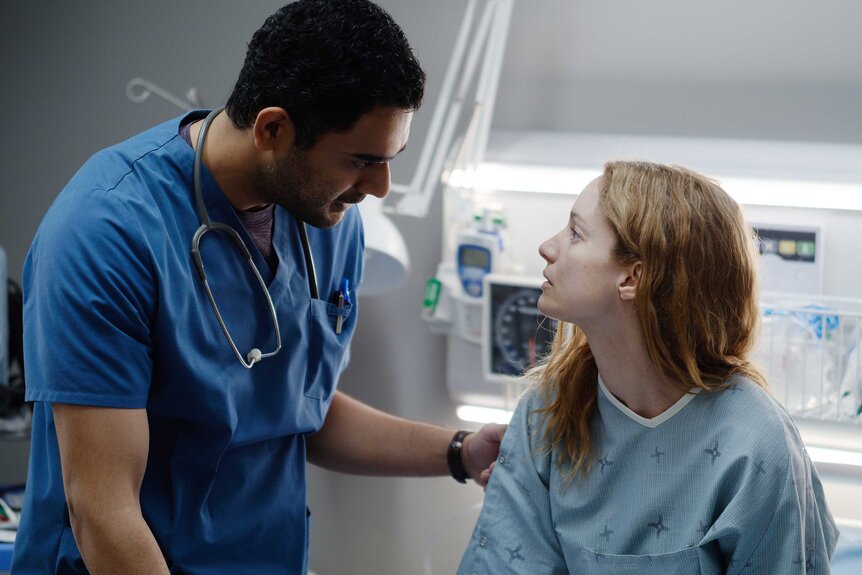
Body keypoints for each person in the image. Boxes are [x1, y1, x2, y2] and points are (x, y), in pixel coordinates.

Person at [12, 2, 505, 574]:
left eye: (390, 159)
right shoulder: (105, 234)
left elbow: (296, 409)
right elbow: (103, 511)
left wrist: (459, 452)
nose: (381, 187)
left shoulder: (328, 217)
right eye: (362, 160)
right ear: (273, 129)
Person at [458, 161, 838, 574]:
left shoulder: (754, 445)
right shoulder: (544, 415)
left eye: (575, 233)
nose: (548, 247)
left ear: (633, 276)